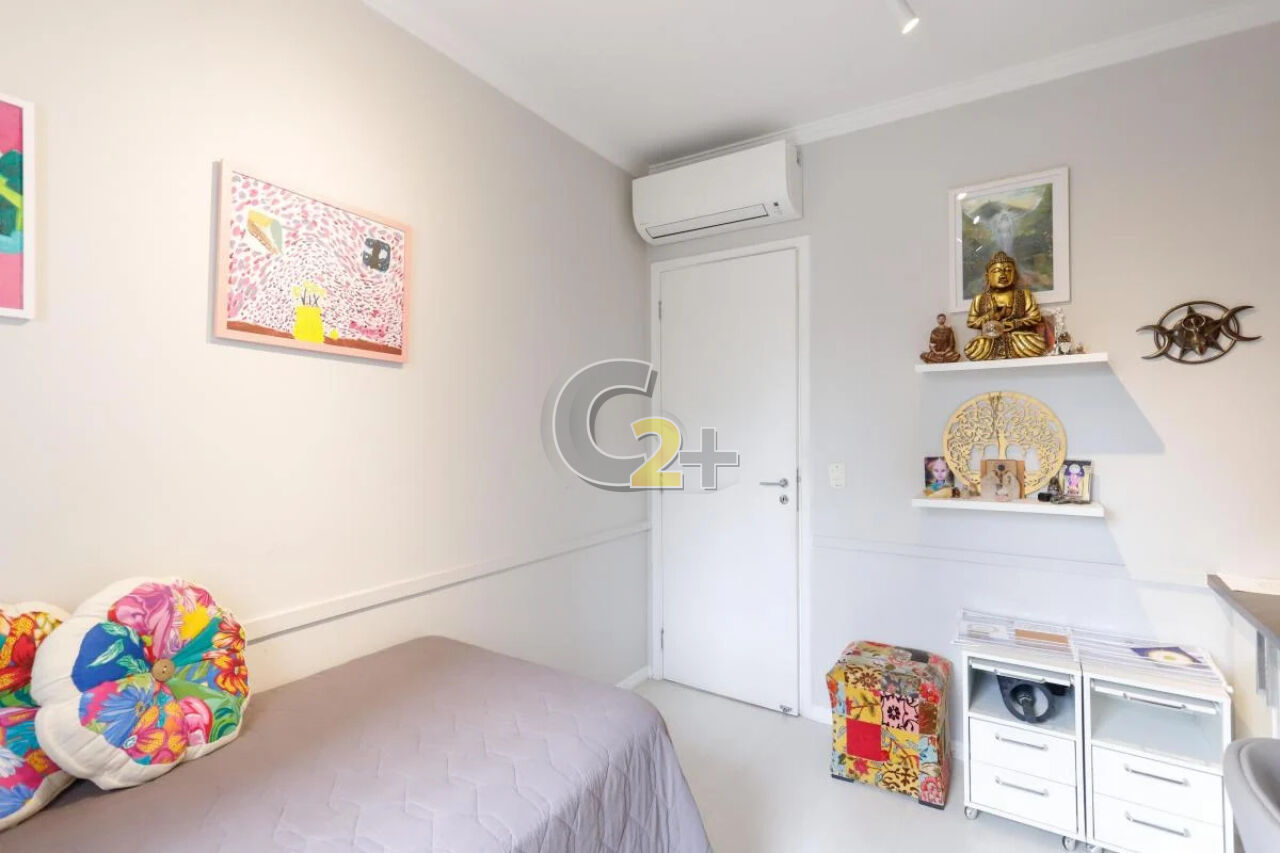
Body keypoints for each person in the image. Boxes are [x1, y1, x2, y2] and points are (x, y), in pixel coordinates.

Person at [964, 252, 1048, 360]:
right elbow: (971, 323)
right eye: (996, 271)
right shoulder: (979, 298)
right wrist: (991, 316)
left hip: (1016, 338)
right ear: (987, 276)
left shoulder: (1024, 294)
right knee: (971, 348)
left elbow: (1035, 317)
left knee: (1039, 344)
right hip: (990, 339)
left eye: (1008, 270)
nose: (1003, 275)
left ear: (1015, 275)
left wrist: (1015, 324)